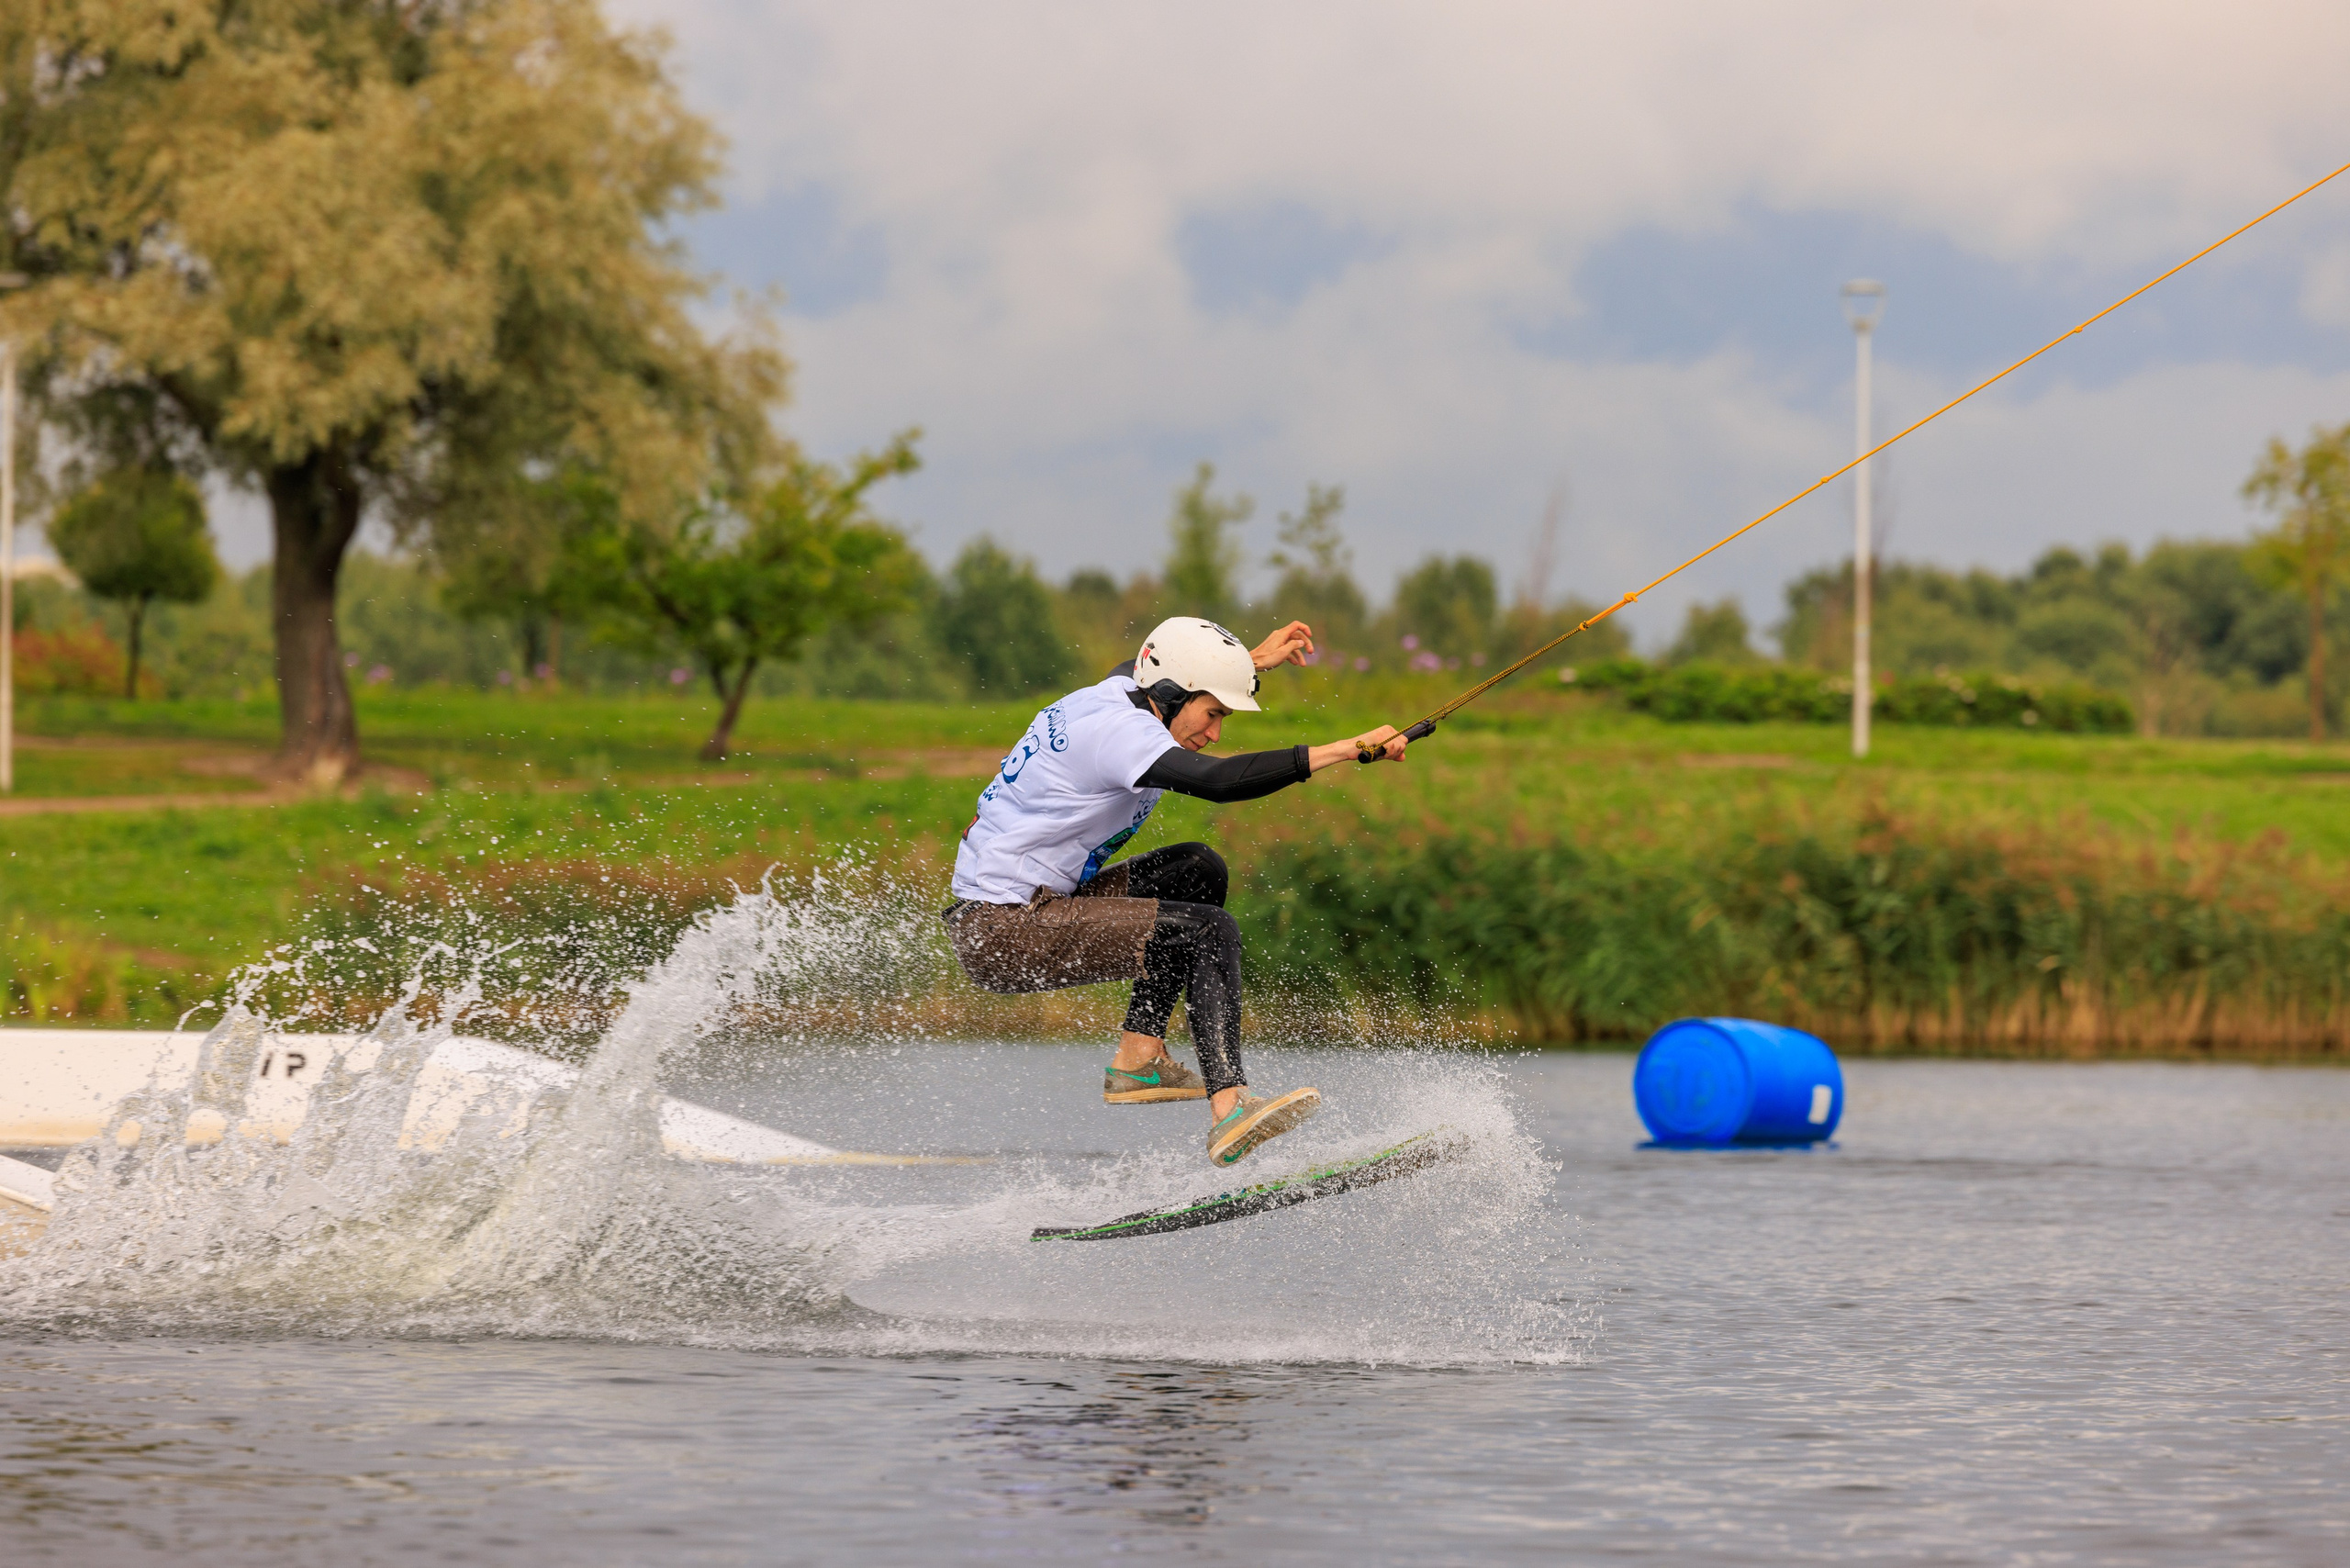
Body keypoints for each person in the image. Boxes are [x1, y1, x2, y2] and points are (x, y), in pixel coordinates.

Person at [944, 615, 1409, 1167]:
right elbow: (1217, 782)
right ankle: (1231, 1110)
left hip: (1028, 909)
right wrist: (1346, 749)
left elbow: (1155, 663)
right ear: (1171, 694)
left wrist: (1245, 665)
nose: (1214, 733)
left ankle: (1139, 1056)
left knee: (1198, 868)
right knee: (1208, 931)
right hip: (1003, 933)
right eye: (1213, 714)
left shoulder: (1117, 692)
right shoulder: (1120, 733)